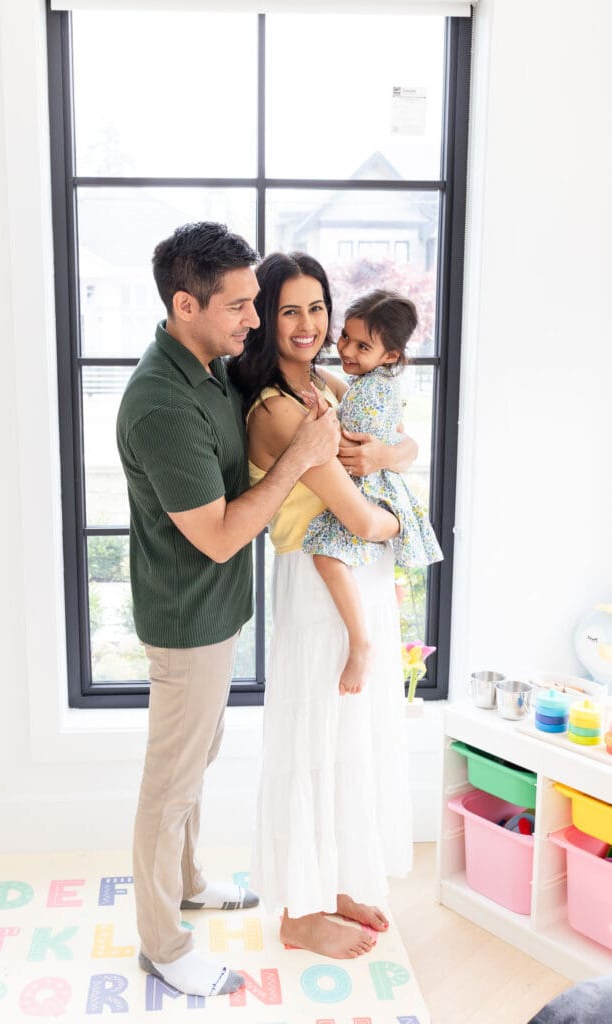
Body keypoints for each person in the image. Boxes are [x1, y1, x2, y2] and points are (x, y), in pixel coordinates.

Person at [116, 223, 341, 999]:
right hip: (187, 620)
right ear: (185, 304)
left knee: (194, 763)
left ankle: (186, 883)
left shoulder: (209, 369)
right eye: (241, 305)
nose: (254, 318)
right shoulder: (159, 402)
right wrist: (300, 459)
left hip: (215, 616)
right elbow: (216, 537)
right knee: (169, 783)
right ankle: (163, 943)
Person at [228, 252, 415, 960]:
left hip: (353, 582)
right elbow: (361, 521)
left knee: (348, 741)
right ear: (265, 320)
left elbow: (403, 441)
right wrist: (407, 521)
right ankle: (296, 912)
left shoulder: (327, 386)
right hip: (317, 581)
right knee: (310, 741)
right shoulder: (279, 407)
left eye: (316, 309)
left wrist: (388, 461)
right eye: (288, 311)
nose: (307, 325)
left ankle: (332, 882)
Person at [302, 289, 443, 695]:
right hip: (374, 485)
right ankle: (364, 639)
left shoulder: (368, 390)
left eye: (362, 345)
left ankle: (361, 643)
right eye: (345, 336)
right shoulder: (367, 381)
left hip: (369, 490)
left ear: (390, 356)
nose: (346, 348)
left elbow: (346, 444)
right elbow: (402, 442)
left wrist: (322, 416)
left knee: (327, 556)